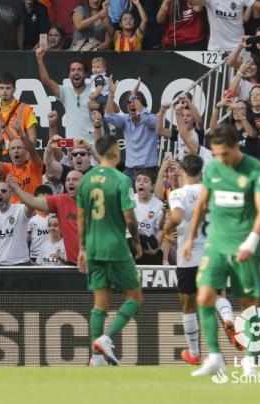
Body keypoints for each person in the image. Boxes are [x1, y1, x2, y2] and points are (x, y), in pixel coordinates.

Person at [184, 123, 260, 377]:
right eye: (216, 154)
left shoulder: (255, 170)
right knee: (204, 297)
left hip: (245, 245)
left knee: (249, 304)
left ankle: (250, 361)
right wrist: (189, 239)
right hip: (216, 245)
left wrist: (252, 241)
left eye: (224, 153)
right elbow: (201, 204)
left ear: (236, 146)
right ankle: (215, 357)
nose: (220, 158)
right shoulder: (212, 169)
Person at [76, 135, 143, 366]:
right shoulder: (122, 179)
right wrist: (136, 240)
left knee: (100, 303)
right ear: (115, 152)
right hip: (115, 245)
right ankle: (107, 338)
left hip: (93, 247)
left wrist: (82, 248)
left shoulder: (85, 180)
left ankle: (96, 359)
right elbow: (129, 217)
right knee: (134, 297)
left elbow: (82, 217)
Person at [164, 155, 206, 365]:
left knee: (188, 305)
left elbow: (178, 217)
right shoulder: (211, 192)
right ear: (201, 172)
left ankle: (194, 352)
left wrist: (167, 227)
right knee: (216, 297)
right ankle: (227, 318)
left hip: (188, 258)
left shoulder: (178, 194)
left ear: (182, 171)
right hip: (212, 254)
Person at [10, 170, 83, 265]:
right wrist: (16, 188)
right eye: (68, 180)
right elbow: (32, 201)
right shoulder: (60, 200)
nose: (70, 182)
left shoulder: (95, 201)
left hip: (95, 263)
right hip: (72, 264)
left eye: (75, 179)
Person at [35, 47, 93, 142]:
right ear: (69, 75)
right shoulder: (66, 92)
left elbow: (113, 110)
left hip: (93, 145)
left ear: (86, 74)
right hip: (72, 146)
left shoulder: (95, 89)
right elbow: (46, 82)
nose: (76, 72)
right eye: (73, 70)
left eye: (79, 70)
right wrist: (39, 59)